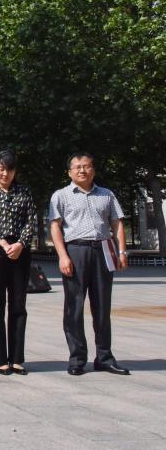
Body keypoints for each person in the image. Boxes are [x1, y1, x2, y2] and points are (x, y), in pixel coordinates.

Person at [49, 152, 130, 376]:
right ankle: (77, 358)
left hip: (103, 249)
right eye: (77, 167)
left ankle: (104, 357)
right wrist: (63, 256)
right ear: (69, 172)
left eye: (86, 166)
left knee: (102, 306)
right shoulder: (60, 196)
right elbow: (55, 226)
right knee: (74, 307)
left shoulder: (107, 195)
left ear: (93, 170)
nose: (82, 170)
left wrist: (122, 251)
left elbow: (117, 224)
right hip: (76, 250)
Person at [0, 149, 38, 375]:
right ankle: (1, 358)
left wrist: (20, 243)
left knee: (18, 305)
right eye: (1, 168)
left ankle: (17, 358)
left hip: (20, 252)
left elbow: (31, 220)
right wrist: (1, 243)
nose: (5, 174)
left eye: (10, 169)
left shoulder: (24, 191)